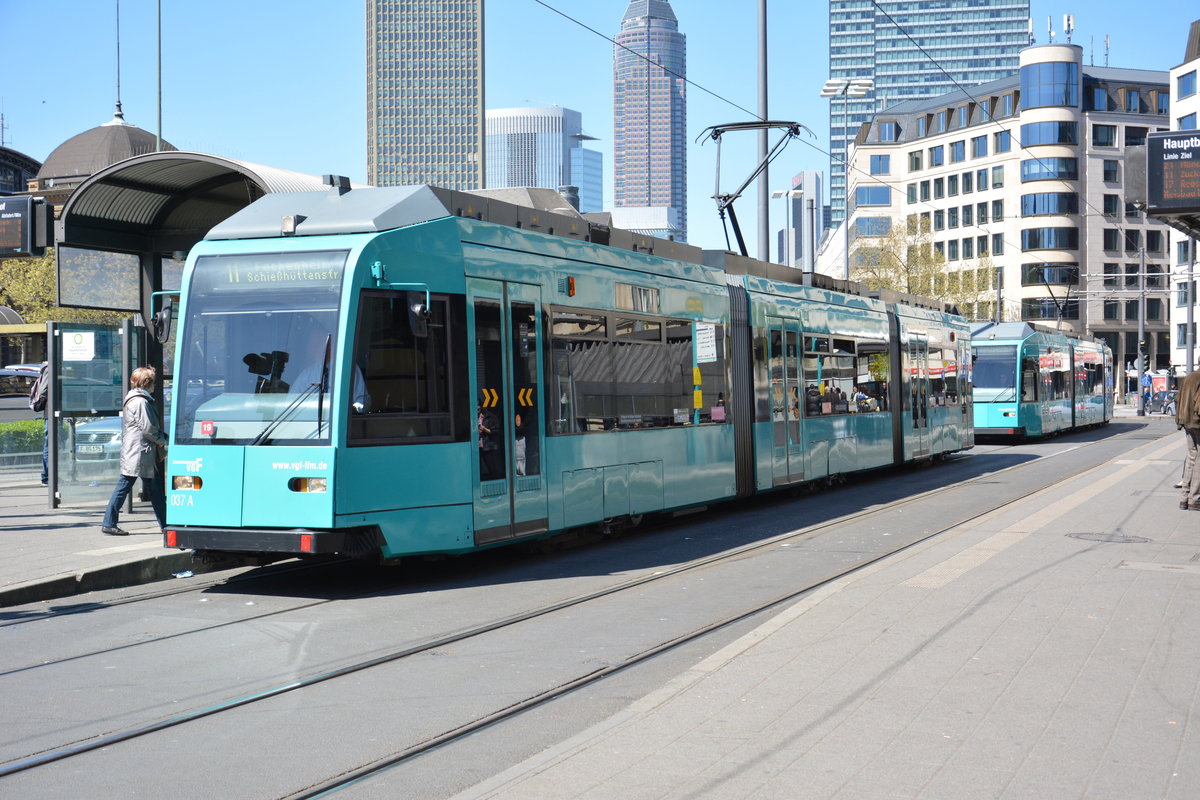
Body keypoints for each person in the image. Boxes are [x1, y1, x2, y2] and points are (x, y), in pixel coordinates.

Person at [101, 366, 167, 535]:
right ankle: (109, 523)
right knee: (148, 490)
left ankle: (166, 524)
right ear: (147, 382)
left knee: (150, 490)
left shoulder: (137, 399)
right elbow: (148, 428)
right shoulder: (140, 402)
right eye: (153, 381)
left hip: (138, 451)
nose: (155, 385)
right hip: (141, 452)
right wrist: (163, 441)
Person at [1176, 368, 1200, 511]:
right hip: (1197, 423)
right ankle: (1195, 499)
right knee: (1198, 459)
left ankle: (1184, 498)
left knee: (1192, 457)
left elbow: (1179, 399)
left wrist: (1180, 420)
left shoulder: (1189, 377)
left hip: (1187, 422)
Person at [27, 361, 49, 486]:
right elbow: (44, 390)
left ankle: (48, 476)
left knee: (51, 445)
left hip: (54, 412)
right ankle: (46, 477)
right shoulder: (50, 368)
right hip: (51, 413)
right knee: (50, 445)